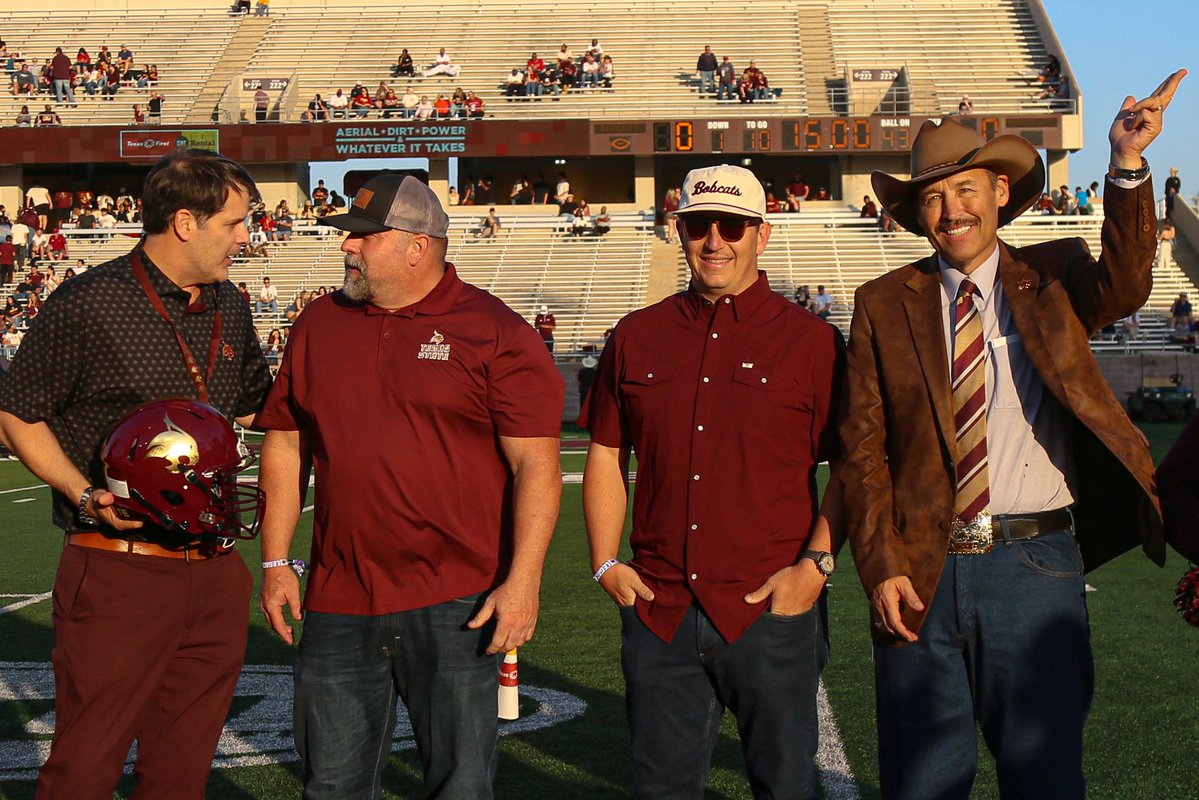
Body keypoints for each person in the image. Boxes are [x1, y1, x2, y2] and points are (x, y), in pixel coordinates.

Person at [839, 70, 1185, 800]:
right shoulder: (879, 304)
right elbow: (861, 449)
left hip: (1036, 564)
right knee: (921, 784)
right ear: (915, 213)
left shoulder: (1050, 274)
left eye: (965, 188)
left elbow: (1125, 284)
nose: (949, 208)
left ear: (1000, 192)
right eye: (930, 196)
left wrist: (1124, 165)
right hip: (919, 571)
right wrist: (879, 566)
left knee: (1044, 778)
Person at [256, 173, 563, 799]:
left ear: (417, 246)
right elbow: (287, 441)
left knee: (460, 787)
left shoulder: (494, 330)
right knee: (332, 785)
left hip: (457, 597)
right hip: (339, 595)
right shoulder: (319, 322)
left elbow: (537, 464)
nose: (348, 248)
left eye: (365, 238)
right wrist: (276, 558)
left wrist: (523, 580)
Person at [0, 148, 271, 797]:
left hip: (215, 566)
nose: (247, 236)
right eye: (235, 222)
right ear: (185, 221)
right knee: (86, 765)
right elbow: (18, 412)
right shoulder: (90, 302)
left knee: (182, 770)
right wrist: (83, 491)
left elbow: (257, 403)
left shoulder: (229, 302)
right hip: (119, 567)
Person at [581, 163, 845, 798]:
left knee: (785, 786)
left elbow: (855, 470)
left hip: (768, 609)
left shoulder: (814, 343)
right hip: (659, 609)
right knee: (661, 789)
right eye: (700, 225)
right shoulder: (635, 335)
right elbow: (606, 453)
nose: (715, 241)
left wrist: (815, 568)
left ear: (762, 233)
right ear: (680, 230)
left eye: (733, 225)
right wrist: (603, 564)